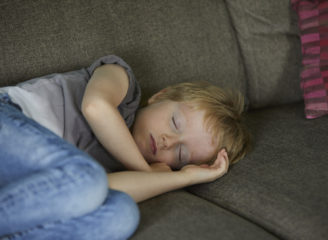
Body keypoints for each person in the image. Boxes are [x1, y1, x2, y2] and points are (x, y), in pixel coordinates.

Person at [0, 55, 250, 240]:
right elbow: (95, 107)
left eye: (180, 153)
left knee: (122, 214)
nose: (168, 141)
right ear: (161, 96)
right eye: (175, 123)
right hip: (10, 120)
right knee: (91, 179)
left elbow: (95, 191)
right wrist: (145, 171)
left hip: (20, 183)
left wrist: (184, 178)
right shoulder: (123, 80)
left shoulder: (119, 168)